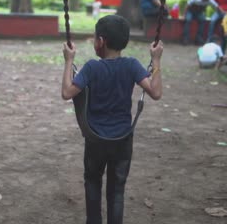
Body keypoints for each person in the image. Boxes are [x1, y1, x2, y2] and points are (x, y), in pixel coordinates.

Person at [61, 15, 163, 224]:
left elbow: (66, 92)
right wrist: (157, 60)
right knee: (117, 190)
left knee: (92, 182)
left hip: (96, 139)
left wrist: (69, 60)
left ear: (101, 41)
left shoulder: (92, 68)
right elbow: (155, 92)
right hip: (122, 139)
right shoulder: (132, 66)